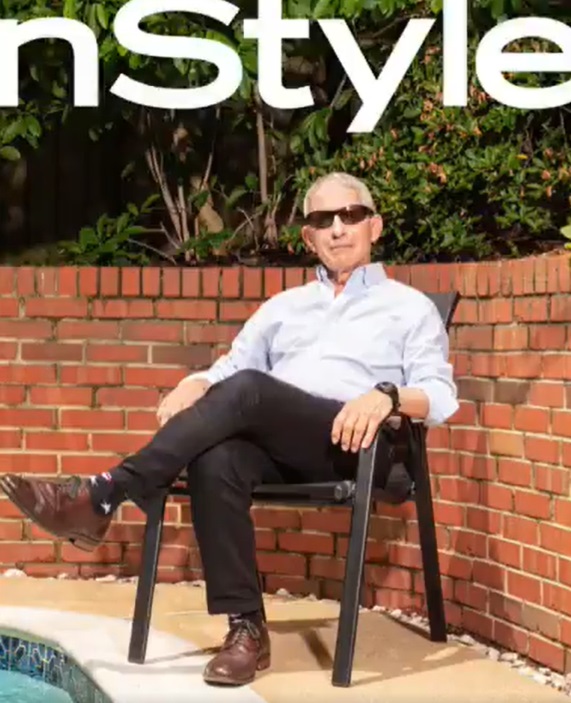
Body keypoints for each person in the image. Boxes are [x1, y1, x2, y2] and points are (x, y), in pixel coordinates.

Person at [0, 172, 458, 686]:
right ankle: (246, 630)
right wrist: (193, 383)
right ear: (307, 237)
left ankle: (106, 493)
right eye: (321, 220)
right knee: (214, 458)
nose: (337, 229)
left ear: (374, 225)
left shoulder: (408, 306)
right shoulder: (284, 308)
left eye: (350, 216)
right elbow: (227, 371)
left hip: (359, 445)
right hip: (280, 443)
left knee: (247, 390)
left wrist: (387, 395)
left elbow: (439, 396)